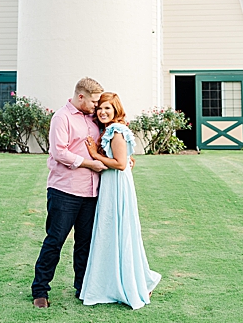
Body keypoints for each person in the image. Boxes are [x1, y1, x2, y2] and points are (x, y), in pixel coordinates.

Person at [31, 77, 108, 309]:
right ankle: (40, 290)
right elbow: (59, 153)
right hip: (64, 191)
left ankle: (82, 287)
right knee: (55, 241)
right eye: (94, 101)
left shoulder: (94, 120)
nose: (96, 105)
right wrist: (89, 164)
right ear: (80, 96)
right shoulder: (61, 117)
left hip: (91, 192)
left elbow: (104, 147)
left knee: (85, 243)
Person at [80, 92, 161, 310]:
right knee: (111, 230)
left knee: (118, 229)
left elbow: (121, 163)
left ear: (116, 110)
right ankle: (118, 280)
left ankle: (133, 282)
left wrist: (94, 155)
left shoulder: (117, 131)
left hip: (117, 183)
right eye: (100, 108)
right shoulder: (109, 130)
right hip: (111, 183)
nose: (103, 112)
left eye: (108, 108)